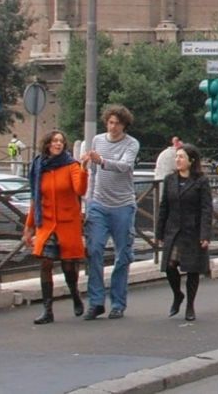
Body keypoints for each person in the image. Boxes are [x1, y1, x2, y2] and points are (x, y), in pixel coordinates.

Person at [82, 103, 140, 320]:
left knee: (122, 255)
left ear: (124, 125)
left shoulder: (131, 143)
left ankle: (117, 302)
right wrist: (89, 199)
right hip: (98, 203)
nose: (113, 127)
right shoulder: (97, 140)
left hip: (123, 205)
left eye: (118, 123)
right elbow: (93, 173)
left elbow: (125, 166)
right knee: (94, 249)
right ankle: (96, 302)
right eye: (110, 122)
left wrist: (103, 160)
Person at [26, 129, 87, 324]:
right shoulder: (39, 167)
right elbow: (35, 198)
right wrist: (29, 227)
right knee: (45, 262)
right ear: (47, 144)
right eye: (54, 141)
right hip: (46, 223)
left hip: (68, 223)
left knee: (69, 266)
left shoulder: (71, 166)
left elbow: (80, 190)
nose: (58, 144)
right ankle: (47, 310)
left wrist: (84, 169)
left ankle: (75, 293)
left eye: (61, 141)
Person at [157, 142, 212, 321]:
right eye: (176, 157)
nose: (177, 160)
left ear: (191, 160)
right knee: (170, 266)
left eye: (181, 157)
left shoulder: (201, 181)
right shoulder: (170, 180)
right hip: (174, 230)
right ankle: (177, 295)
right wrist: (159, 233)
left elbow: (206, 209)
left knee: (192, 270)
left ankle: (190, 306)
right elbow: (164, 206)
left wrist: (205, 234)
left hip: (193, 231)